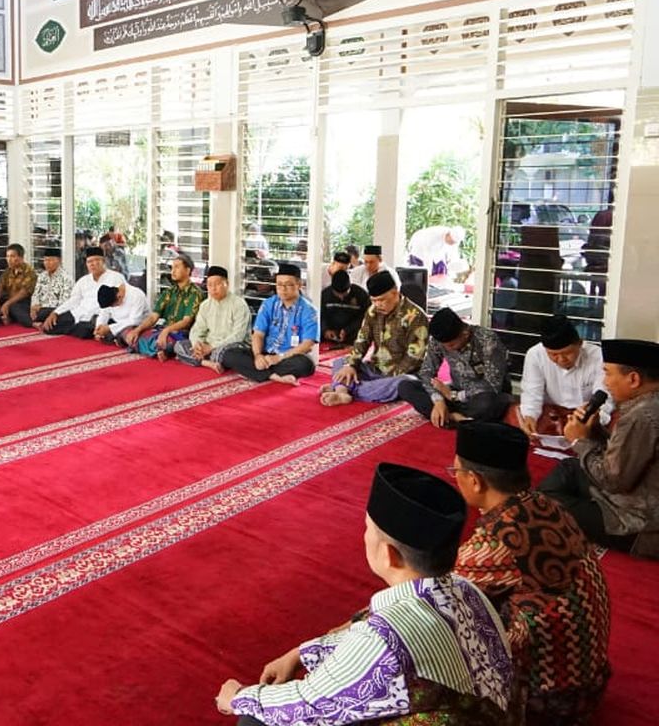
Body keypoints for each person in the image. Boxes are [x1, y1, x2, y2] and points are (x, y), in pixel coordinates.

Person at [216, 463, 513, 725]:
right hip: (489, 714)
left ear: (389, 554)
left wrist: (239, 697)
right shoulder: (466, 588)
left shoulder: (385, 637)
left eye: (367, 528)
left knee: (255, 720)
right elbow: (368, 641)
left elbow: (307, 704)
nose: (364, 535)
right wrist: (299, 655)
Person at [450, 422, 610, 725]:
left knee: (437, 638)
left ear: (474, 481)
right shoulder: (547, 504)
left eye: (455, 471)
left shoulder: (497, 541)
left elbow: (435, 595)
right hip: (590, 684)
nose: (455, 478)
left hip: (548, 705)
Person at [540, 338, 659, 557]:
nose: (605, 382)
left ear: (633, 379)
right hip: (638, 498)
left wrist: (578, 441)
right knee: (570, 468)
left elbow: (613, 481)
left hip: (639, 526)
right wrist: (593, 431)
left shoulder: (642, 415)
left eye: (608, 373)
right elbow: (628, 455)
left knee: (542, 503)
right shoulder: (649, 405)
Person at [321, 270, 429, 407]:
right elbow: (362, 340)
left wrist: (388, 379)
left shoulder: (416, 316)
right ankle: (343, 391)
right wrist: (351, 365)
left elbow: (414, 358)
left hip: (400, 374)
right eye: (374, 300)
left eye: (381, 300)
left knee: (404, 384)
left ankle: (345, 387)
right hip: (375, 368)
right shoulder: (373, 311)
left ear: (395, 292)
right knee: (341, 362)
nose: (378, 304)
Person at [398, 307, 513, 428]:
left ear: (465, 333)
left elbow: (492, 385)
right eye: (444, 345)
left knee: (488, 403)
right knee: (406, 386)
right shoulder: (439, 341)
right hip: (454, 392)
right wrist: (438, 400)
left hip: (483, 397)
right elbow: (427, 372)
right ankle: (456, 417)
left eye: (452, 345)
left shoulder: (487, 341)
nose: (447, 349)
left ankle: (450, 418)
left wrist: (455, 396)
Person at [221, 263, 318, 385]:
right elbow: (258, 334)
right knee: (229, 354)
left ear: (299, 284)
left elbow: (308, 344)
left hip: (288, 356)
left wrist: (279, 358)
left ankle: (257, 372)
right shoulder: (268, 304)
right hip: (265, 353)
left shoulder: (309, 310)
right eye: (279, 284)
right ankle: (273, 375)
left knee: (306, 365)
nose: (283, 289)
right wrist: (258, 356)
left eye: (288, 284)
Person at [518, 314, 609, 441]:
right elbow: (531, 393)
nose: (561, 359)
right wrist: (529, 417)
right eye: (553, 355)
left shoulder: (598, 357)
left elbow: (605, 398)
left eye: (567, 353)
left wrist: (590, 421)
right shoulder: (535, 355)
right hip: (550, 416)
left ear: (580, 344)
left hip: (585, 418)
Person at [122, 254, 203, 361]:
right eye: (172, 268)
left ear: (188, 271)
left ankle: (152, 348)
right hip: (163, 329)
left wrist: (166, 331)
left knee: (169, 342)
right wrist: (137, 330)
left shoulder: (195, 293)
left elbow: (186, 322)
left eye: (177, 267)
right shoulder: (169, 292)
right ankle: (157, 349)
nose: (172, 271)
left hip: (181, 333)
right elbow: (153, 317)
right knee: (129, 332)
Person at [173, 266, 250, 371]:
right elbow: (197, 329)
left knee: (226, 354)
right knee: (179, 345)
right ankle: (206, 362)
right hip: (208, 345)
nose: (213, 289)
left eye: (217, 284)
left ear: (227, 284)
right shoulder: (205, 305)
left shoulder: (239, 304)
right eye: (209, 285)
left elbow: (238, 336)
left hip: (230, 346)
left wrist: (211, 347)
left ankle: (197, 359)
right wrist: (197, 345)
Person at [41, 247, 126, 339]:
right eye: (89, 262)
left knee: (85, 329)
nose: (93, 264)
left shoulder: (116, 277)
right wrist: (55, 312)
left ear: (103, 261)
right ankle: (81, 330)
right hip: (79, 314)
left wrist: (102, 322)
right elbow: (73, 300)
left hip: (100, 316)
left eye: (96, 260)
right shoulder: (83, 280)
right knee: (50, 327)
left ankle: (85, 330)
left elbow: (118, 301)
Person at [320, 269, 370, 347]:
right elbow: (320, 315)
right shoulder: (325, 295)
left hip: (354, 338)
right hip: (329, 338)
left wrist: (348, 330)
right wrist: (325, 330)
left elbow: (366, 316)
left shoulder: (361, 295)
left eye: (344, 293)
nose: (341, 297)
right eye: (337, 294)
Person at [0, 243, 37, 328]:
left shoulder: (29, 272)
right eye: (7, 256)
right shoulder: (8, 271)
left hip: (22, 301)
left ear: (21, 257)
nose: (9, 259)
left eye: (12, 256)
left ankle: (31, 323)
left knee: (14, 307)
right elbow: (0, 287)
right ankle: (6, 316)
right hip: (8, 299)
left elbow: (24, 293)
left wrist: (7, 304)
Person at [29, 248, 73, 327]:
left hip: (54, 310)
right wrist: (33, 306)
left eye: (50, 260)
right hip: (40, 310)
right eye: (45, 260)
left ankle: (29, 321)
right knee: (17, 307)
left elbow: (65, 302)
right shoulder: (42, 276)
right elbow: (36, 294)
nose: (47, 263)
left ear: (59, 261)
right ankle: (34, 322)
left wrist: (42, 308)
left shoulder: (66, 278)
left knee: (61, 315)